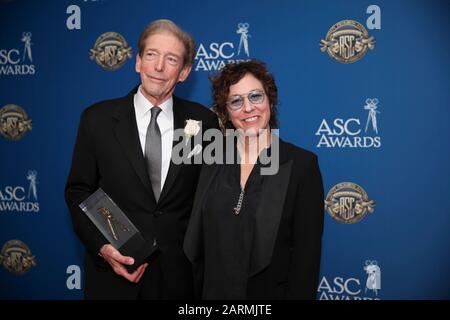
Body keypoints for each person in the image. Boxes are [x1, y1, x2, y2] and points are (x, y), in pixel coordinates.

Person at [65, 19, 219, 299]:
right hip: (115, 277)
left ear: (184, 72)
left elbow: (212, 194)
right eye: (151, 55)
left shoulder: (203, 122)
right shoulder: (97, 119)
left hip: (179, 279)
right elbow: (79, 191)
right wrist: (103, 248)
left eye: (171, 59)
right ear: (137, 62)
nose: (159, 67)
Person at [183, 60, 324, 299]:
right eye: (236, 101)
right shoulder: (209, 160)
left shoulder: (301, 165)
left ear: (270, 99)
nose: (248, 108)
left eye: (255, 96)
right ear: (225, 111)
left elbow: (305, 261)